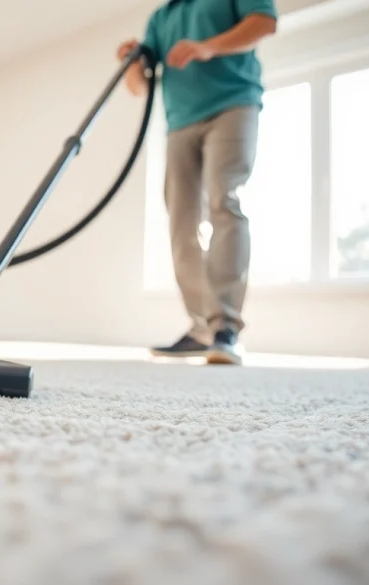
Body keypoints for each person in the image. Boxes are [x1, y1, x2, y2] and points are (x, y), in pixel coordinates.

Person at [118, 0, 278, 365]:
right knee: (180, 220)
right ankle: (201, 326)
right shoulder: (161, 17)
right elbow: (138, 88)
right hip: (180, 121)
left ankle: (225, 327)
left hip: (233, 104)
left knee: (225, 200)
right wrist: (132, 61)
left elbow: (264, 22)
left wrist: (207, 46)